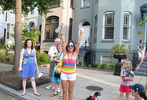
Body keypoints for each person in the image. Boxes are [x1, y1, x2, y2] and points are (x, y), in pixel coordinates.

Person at [59, 25, 83, 100]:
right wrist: (62, 30)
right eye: (69, 45)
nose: (70, 46)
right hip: (64, 74)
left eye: (72, 45)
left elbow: (78, 43)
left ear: (73, 46)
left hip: (72, 74)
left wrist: (81, 33)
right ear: (67, 46)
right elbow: (63, 41)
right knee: (64, 90)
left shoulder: (75, 53)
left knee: (70, 91)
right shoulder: (65, 53)